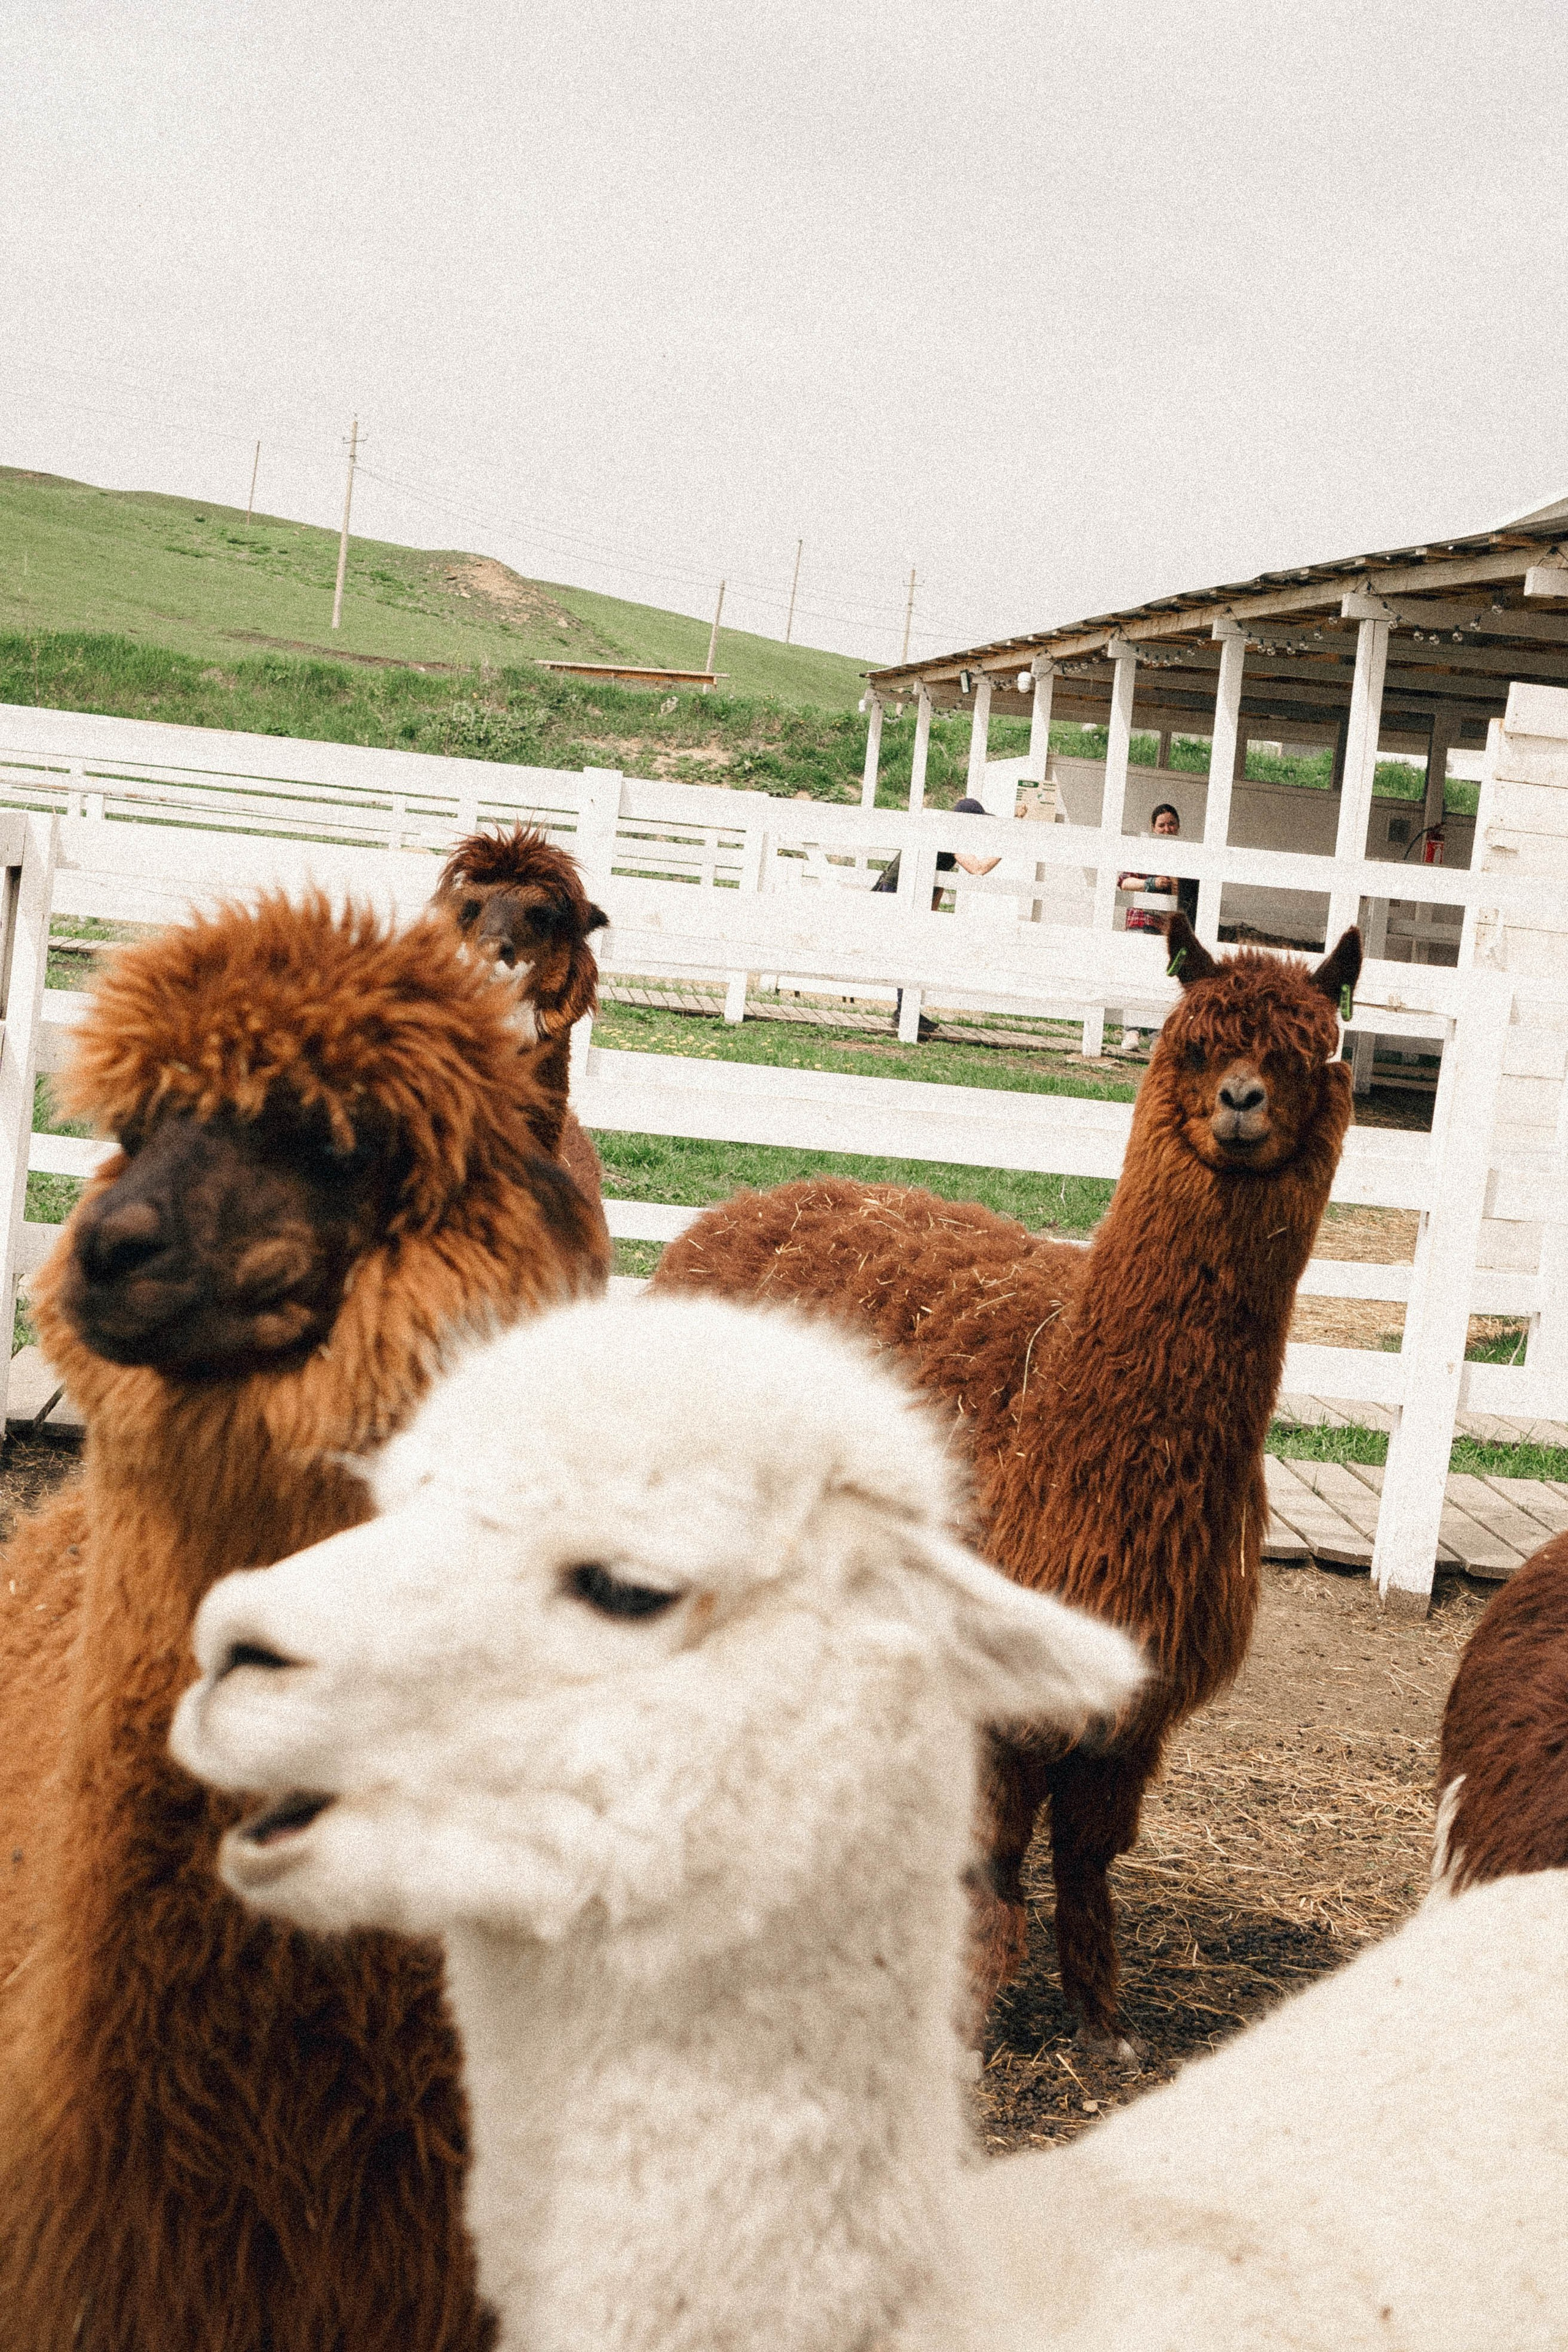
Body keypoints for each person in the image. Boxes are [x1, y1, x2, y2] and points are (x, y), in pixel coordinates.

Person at [873, 796, 1000, 1041]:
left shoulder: (942, 831)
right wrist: (1005, 850)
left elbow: (938, 877)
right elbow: (977, 869)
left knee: (911, 951)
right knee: (908, 952)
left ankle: (906, 1009)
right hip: (900, 890)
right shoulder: (952, 836)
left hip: (902, 888)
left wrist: (932, 914)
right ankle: (905, 1012)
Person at [1116, 802, 1199, 1054]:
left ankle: (1157, 1034)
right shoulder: (1142, 852)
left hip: (1168, 930)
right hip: (1142, 923)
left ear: (1178, 827)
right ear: (1153, 828)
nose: (1167, 829)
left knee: (1162, 981)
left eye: (1171, 824)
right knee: (1136, 975)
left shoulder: (1185, 856)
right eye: (1161, 825)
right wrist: (1151, 884)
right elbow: (1124, 882)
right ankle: (1131, 1031)